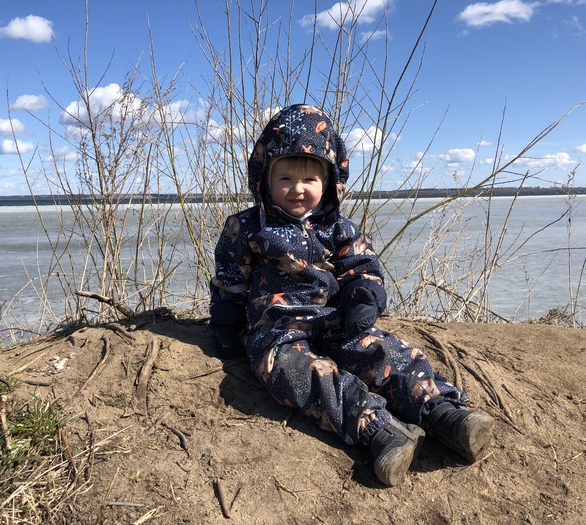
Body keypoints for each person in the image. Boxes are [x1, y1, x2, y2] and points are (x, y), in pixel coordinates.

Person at [209, 103, 494, 486]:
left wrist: (363, 296)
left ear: (329, 181)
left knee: (383, 350)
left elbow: (363, 266)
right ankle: (379, 430)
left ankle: (443, 413)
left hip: (334, 321)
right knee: (295, 373)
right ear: (264, 178)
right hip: (277, 332)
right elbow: (230, 277)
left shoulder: (339, 227)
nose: (298, 188)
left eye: (310, 179)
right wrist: (225, 324)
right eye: (286, 178)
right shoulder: (247, 227)